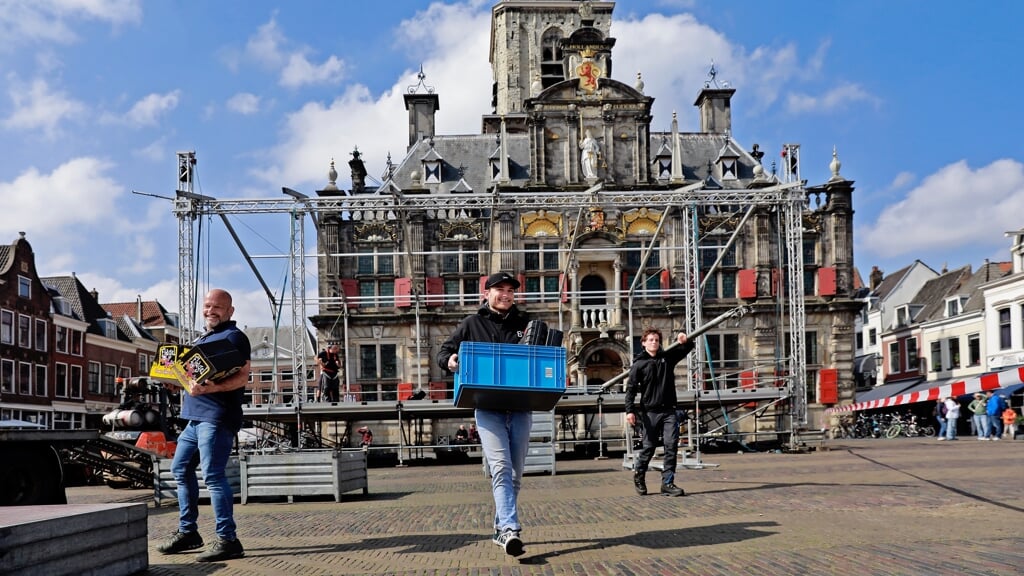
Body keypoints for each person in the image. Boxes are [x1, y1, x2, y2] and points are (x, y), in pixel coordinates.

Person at [437, 271, 530, 557]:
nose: (505, 294)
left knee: (515, 475)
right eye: (499, 289)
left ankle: (500, 523)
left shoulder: (526, 324)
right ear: (486, 293)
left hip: (521, 406)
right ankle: (510, 528)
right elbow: (444, 353)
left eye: (510, 290)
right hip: (487, 407)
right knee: (500, 468)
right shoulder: (471, 323)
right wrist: (450, 361)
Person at [157, 289, 251, 562]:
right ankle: (188, 533)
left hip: (217, 418)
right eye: (208, 306)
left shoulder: (234, 337)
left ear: (230, 311)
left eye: (218, 307)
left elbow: (243, 377)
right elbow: (193, 380)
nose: (211, 310)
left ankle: (228, 540)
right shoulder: (202, 338)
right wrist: (174, 381)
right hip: (194, 419)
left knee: (212, 475)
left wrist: (212, 389)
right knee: (180, 468)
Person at [624, 327, 695, 497]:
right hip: (649, 413)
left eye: (656, 340)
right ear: (643, 343)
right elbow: (631, 390)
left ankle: (667, 483)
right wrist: (630, 411)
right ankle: (639, 476)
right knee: (649, 448)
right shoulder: (639, 365)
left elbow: (685, 349)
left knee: (671, 446)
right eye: (650, 340)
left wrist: (685, 340)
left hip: (669, 411)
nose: (654, 342)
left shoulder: (667, 358)